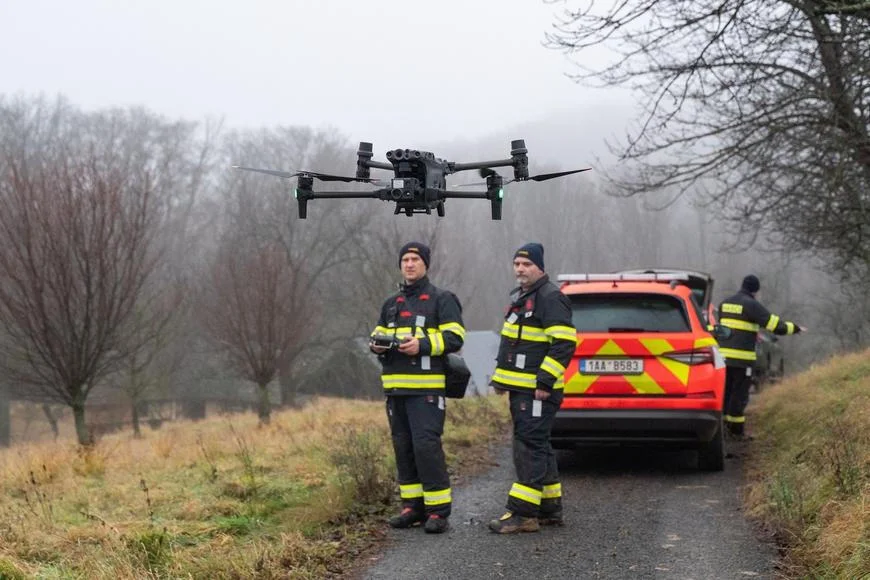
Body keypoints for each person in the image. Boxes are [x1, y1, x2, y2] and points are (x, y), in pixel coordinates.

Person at [369, 241, 466, 534]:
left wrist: (422, 346)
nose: (409, 264)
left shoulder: (441, 299)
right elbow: (378, 333)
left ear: (425, 264)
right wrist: (376, 345)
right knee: (404, 448)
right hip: (395, 391)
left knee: (426, 448)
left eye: (415, 259)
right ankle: (412, 507)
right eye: (405, 260)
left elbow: (455, 337)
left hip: (426, 391)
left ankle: (438, 512)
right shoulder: (391, 304)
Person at [488, 242, 578, 534]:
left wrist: (544, 381)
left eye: (526, 264)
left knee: (528, 447)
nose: (520, 269)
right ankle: (550, 509)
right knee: (538, 445)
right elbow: (514, 344)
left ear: (540, 267)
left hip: (537, 391)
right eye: (516, 264)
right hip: (523, 390)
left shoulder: (550, 297)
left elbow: (564, 344)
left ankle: (523, 514)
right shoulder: (525, 297)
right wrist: (502, 380)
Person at [717, 274, 806, 439]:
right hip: (742, 361)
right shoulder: (751, 305)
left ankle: (722, 431)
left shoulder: (724, 304)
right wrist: (795, 328)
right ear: (755, 291)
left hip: (722, 360)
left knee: (725, 393)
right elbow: (775, 326)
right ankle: (736, 433)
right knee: (739, 395)